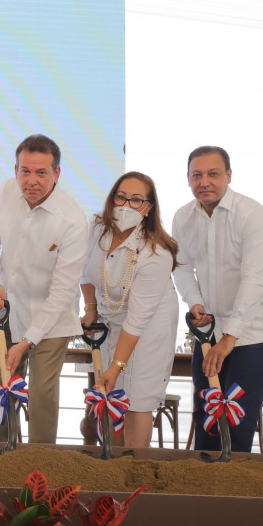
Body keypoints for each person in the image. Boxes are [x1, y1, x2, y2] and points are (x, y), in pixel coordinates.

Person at [0, 134, 87, 442]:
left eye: (41, 173)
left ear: (56, 174)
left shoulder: (73, 219)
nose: (31, 181)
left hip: (52, 320)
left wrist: (25, 342)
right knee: (2, 386)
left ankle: (40, 463)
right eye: (25, 171)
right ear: (16, 170)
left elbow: (62, 292)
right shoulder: (5, 192)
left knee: (41, 396)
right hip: (8, 312)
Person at [172, 146, 263, 453]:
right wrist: (195, 304)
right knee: (206, 413)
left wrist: (230, 336)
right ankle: (204, 480)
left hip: (251, 334)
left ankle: (235, 482)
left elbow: (254, 279)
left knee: (237, 419)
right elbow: (182, 267)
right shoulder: (183, 217)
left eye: (213, 174)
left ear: (229, 176)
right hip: (208, 332)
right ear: (188, 178)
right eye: (197, 175)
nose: (204, 182)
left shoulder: (252, 214)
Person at [80, 171, 180, 448]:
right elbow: (85, 271)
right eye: (121, 197)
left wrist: (116, 367)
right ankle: (111, 464)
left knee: (136, 398)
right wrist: (91, 308)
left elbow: (136, 321)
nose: (126, 205)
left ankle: (133, 466)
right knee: (111, 394)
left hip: (148, 326)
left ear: (148, 207)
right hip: (111, 319)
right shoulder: (96, 228)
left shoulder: (156, 253)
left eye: (136, 200)